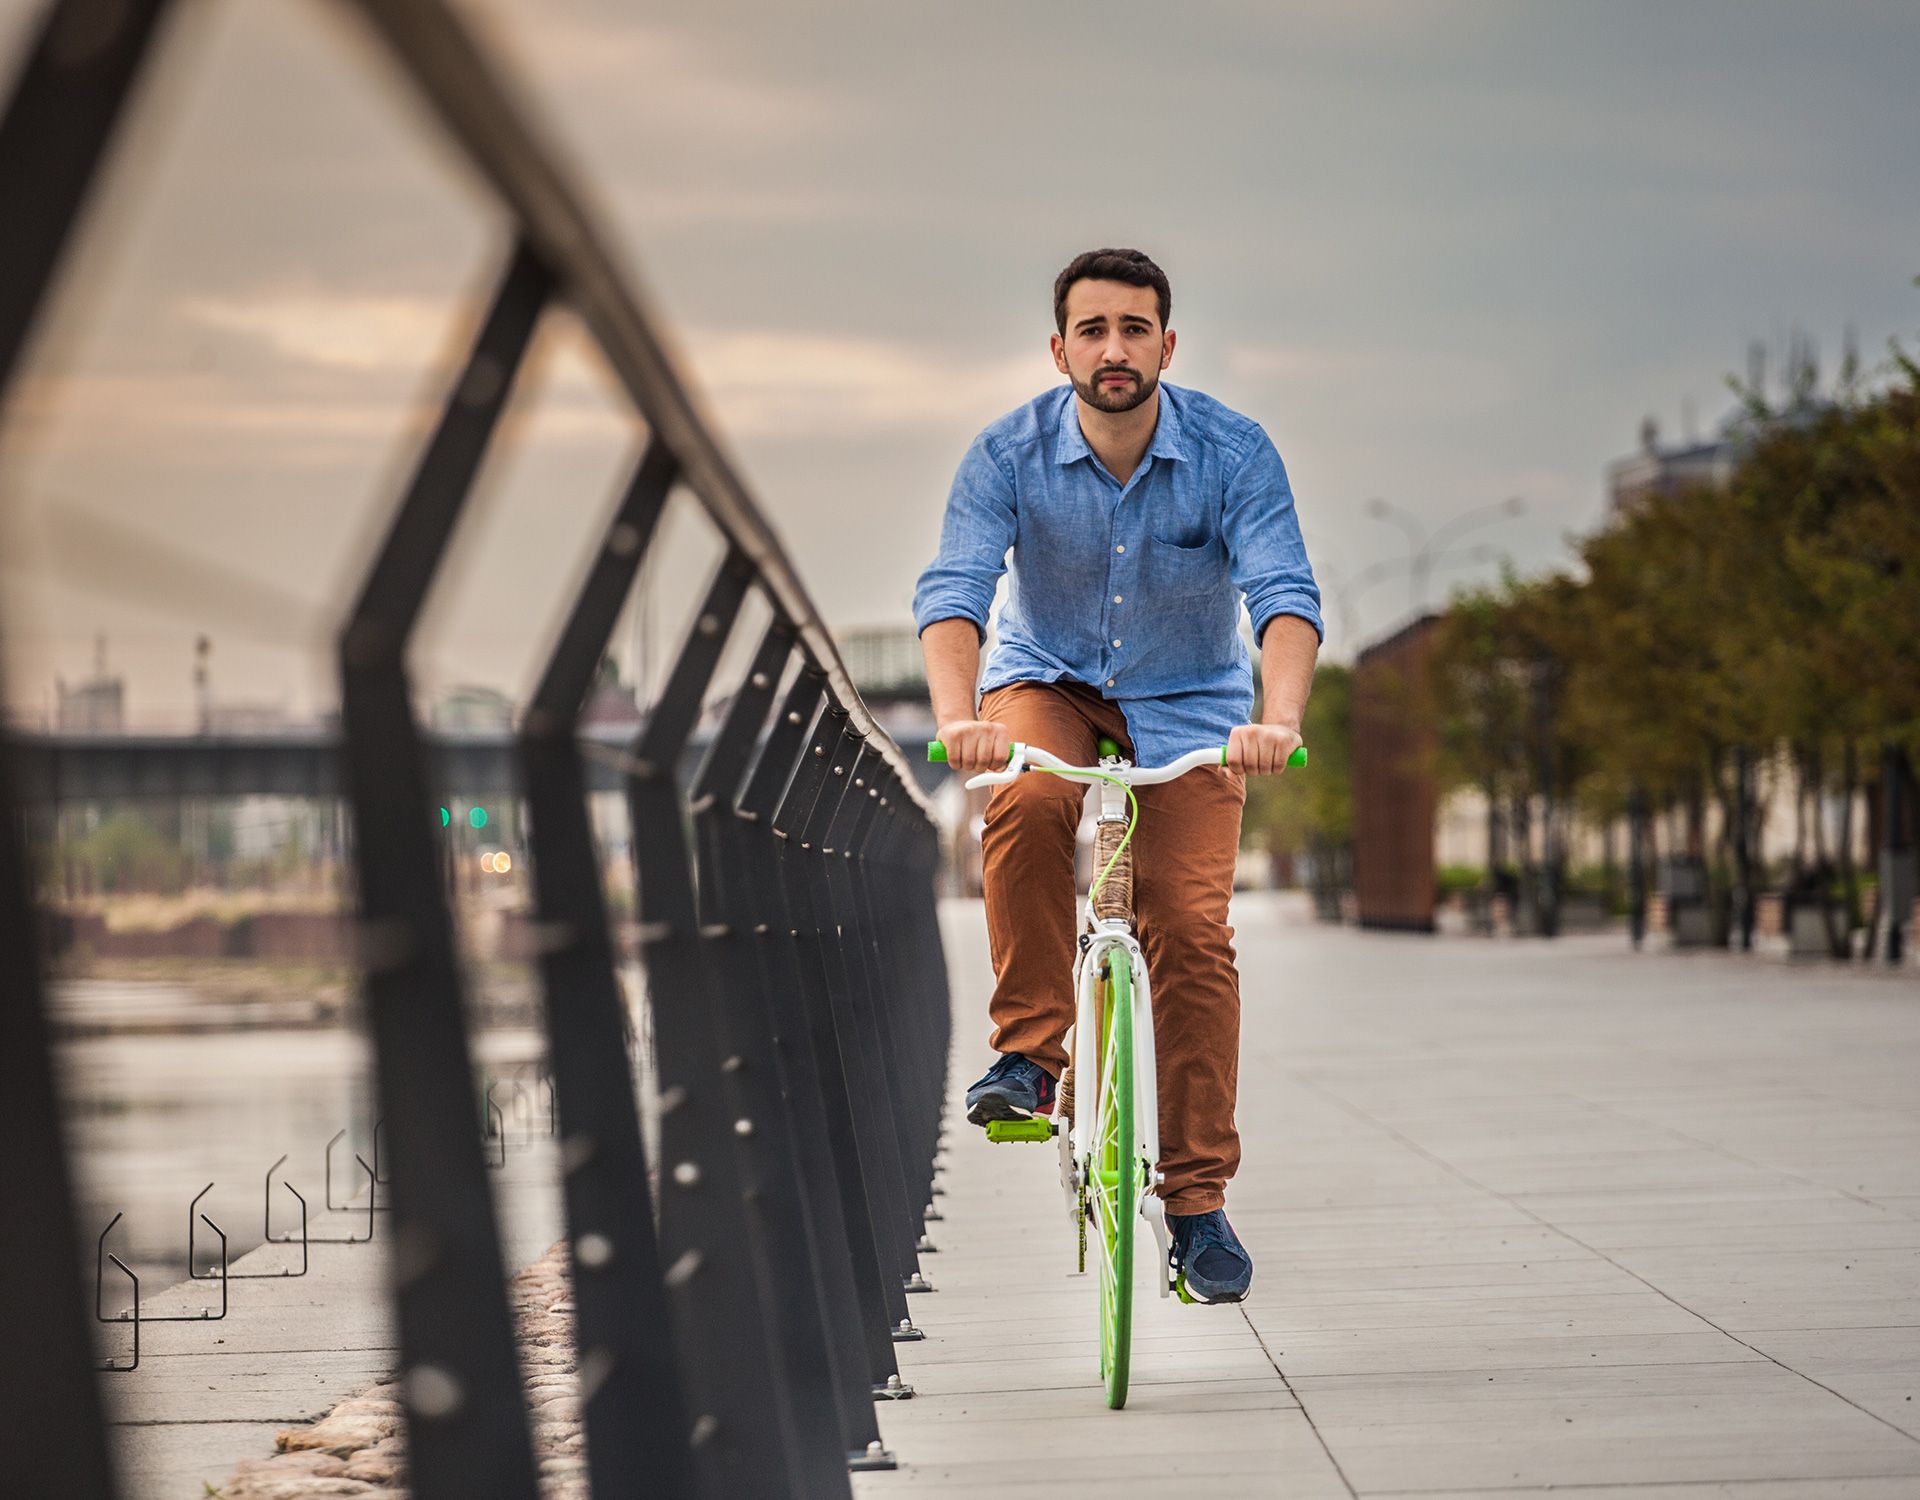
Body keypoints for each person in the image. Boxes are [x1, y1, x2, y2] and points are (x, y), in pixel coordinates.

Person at [913, 247, 1321, 1305]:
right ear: (1060, 351)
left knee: (1188, 930)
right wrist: (960, 718)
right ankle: (1031, 1061)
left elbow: (1283, 593)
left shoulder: (1234, 452)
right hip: (1045, 680)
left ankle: (1196, 1207)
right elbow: (955, 591)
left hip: (1190, 705)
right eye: (1092, 330)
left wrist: (1277, 720)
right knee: (1031, 800)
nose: (1113, 350)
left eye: (1134, 329)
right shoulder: (1006, 455)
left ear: (1167, 347)